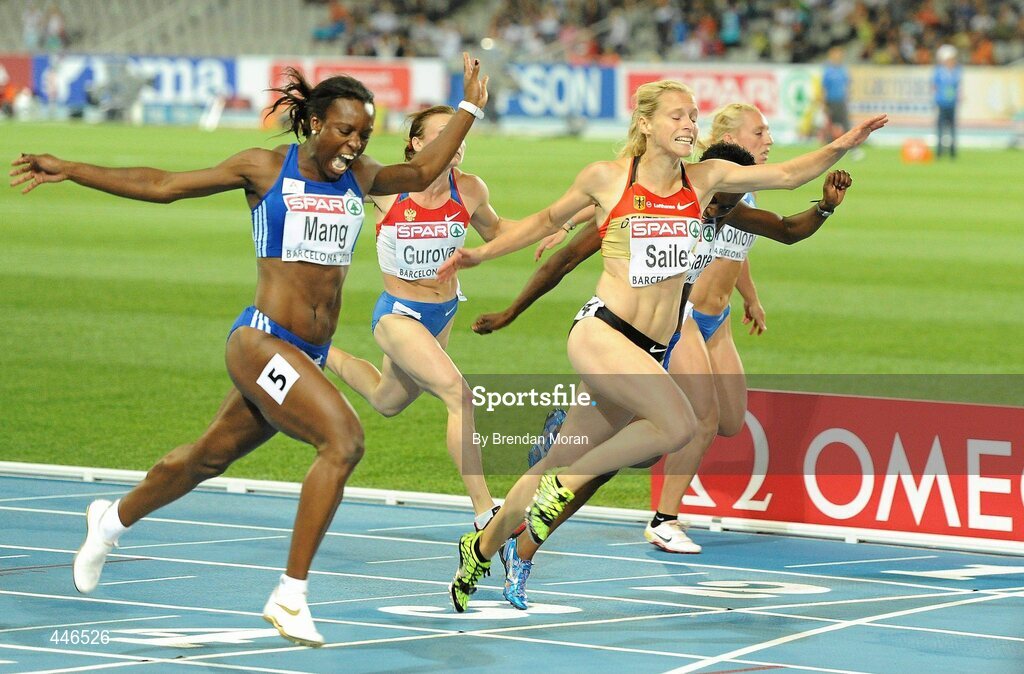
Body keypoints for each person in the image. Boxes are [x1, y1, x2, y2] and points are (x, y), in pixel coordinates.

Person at [9, 53, 489, 646]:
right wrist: (71, 169)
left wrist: (469, 109)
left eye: (364, 135)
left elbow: (422, 172)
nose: (354, 145)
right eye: (345, 131)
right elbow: (163, 186)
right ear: (316, 123)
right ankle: (290, 594)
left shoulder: (360, 177)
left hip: (305, 354)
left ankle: (110, 521)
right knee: (343, 441)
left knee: (206, 458)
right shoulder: (264, 168)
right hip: (260, 341)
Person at [437, 78, 884, 612]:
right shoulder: (608, 178)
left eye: (693, 116)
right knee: (677, 425)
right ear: (645, 123)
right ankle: (568, 484)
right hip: (602, 331)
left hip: (648, 349)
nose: (688, 124)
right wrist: (480, 256)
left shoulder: (706, 180)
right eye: (676, 115)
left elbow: (788, 176)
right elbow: (544, 222)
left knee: (550, 464)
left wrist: (844, 142)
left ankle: (481, 548)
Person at [324, 104, 525, 528]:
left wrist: (555, 225)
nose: (456, 141)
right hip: (398, 316)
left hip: (443, 313)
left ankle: (317, 351)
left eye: (460, 133)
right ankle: (485, 511)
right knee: (460, 396)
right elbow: (327, 172)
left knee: (387, 400)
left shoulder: (469, 188)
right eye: (443, 133)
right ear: (416, 143)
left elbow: (496, 230)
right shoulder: (386, 186)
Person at [933, 44, 962, 159]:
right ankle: (939, 151)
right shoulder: (939, 72)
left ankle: (952, 152)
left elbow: (957, 87)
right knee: (941, 129)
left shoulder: (956, 71)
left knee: (952, 129)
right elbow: (935, 86)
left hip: (952, 104)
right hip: (942, 103)